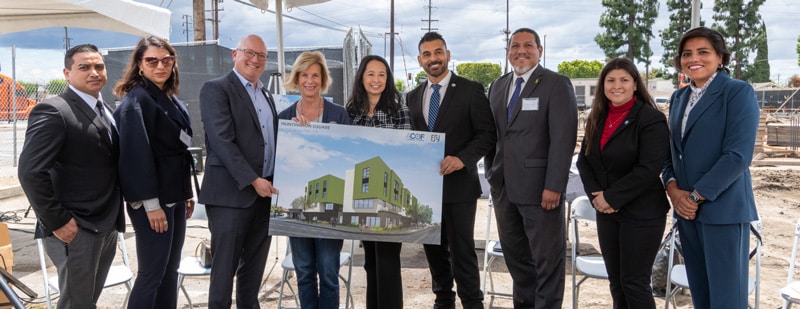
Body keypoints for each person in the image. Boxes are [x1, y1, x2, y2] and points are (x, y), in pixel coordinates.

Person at [18, 43, 125, 308]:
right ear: (67, 73)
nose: (94, 72)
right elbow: (31, 171)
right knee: (75, 304)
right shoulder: (55, 110)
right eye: (84, 67)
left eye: (98, 66)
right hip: (75, 228)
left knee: (87, 301)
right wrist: (57, 221)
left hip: (105, 223)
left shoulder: (106, 109)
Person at [662, 26, 760, 309]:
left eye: (703, 52)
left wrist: (695, 196)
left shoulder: (737, 92)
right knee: (701, 295)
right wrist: (673, 190)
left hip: (723, 210)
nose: (694, 58)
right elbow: (672, 153)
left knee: (727, 298)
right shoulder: (679, 98)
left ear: (720, 56)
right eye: (687, 54)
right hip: (687, 213)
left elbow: (738, 156)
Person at [484, 27, 577, 308]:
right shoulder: (498, 86)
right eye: (514, 46)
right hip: (505, 191)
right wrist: (492, 174)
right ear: (508, 52)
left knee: (547, 264)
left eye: (527, 45)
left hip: (541, 193)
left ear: (540, 50)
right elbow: (495, 136)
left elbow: (563, 139)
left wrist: (554, 186)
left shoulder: (556, 84)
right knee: (518, 263)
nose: (520, 50)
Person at [406, 32, 496, 309]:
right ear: (420, 60)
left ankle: (472, 302)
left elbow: (487, 134)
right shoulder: (411, 97)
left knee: (462, 252)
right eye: (427, 54)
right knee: (433, 250)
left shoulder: (471, 90)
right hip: (426, 190)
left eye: (438, 52)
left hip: (459, 188)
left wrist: (461, 159)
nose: (433, 59)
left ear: (448, 54)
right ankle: (443, 300)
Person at [575, 57, 670, 308]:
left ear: (636, 85)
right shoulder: (597, 116)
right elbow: (584, 161)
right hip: (607, 212)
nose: (617, 85)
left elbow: (649, 168)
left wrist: (611, 198)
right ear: (603, 85)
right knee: (616, 282)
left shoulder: (650, 119)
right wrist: (598, 196)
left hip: (642, 213)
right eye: (611, 80)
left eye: (624, 80)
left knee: (634, 283)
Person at [112, 36, 195, 308]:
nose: (161, 65)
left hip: (174, 197)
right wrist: (150, 204)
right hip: (153, 203)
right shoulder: (137, 101)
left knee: (170, 272)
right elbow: (136, 157)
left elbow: (177, 151)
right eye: (152, 60)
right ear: (139, 64)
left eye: (167, 59)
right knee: (151, 275)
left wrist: (186, 194)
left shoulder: (169, 99)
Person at [199, 34, 279, 308]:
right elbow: (223, 142)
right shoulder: (216, 89)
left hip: (264, 195)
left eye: (262, 56)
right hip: (230, 198)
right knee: (223, 273)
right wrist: (253, 179)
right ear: (235, 53)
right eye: (249, 53)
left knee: (253, 273)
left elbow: (270, 139)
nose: (255, 60)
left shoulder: (266, 93)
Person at [277, 50, 349, 309]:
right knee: (305, 272)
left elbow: (346, 157)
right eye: (304, 74)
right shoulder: (284, 118)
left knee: (328, 274)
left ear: (323, 78)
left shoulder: (339, 115)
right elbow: (279, 162)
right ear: (296, 78)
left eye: (315, 75)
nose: (310, 80)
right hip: (298, 208)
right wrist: (295, 138)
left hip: (330, 209)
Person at [345, 54, 412, 309]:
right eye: (371, 74)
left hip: (386, 195)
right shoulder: (351, 109)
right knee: (370, 261)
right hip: (362, 194)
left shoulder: (398, 106)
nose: (376, 80)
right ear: (362, 77)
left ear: (388, 78)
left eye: (381, 74)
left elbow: (406, 148)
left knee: (387, 262)